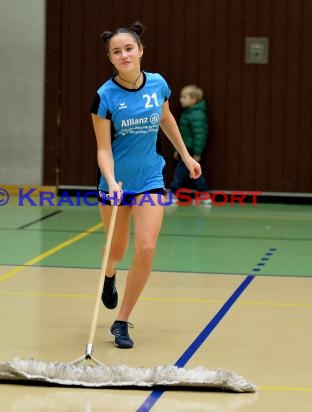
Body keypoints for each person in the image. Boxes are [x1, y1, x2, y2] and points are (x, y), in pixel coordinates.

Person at [91, 22, 201, 348]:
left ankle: (122, 320)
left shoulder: (158, 85)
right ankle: (109, 274)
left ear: (140, 50)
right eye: (116, 51)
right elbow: (102, 148)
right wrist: (110, 181)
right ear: (110, 58)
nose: (123, 54)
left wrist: (185, 155)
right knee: (118, 250)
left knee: (147, 248)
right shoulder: (104, 97)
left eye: (128, 48)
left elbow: (166, 119)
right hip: (116, 184)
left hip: (151, 179)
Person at [169, 84, 211, 204]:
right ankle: (203, 194)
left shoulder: (196, 115)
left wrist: (197, 152)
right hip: (186, 150)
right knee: (193, 172)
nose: (181, 99)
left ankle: (172, 193)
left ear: (193, 100)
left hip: (190, 151)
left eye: (184, 97)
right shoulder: (188, 113)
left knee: (181, 172)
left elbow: (200, 134)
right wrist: (177, 149)